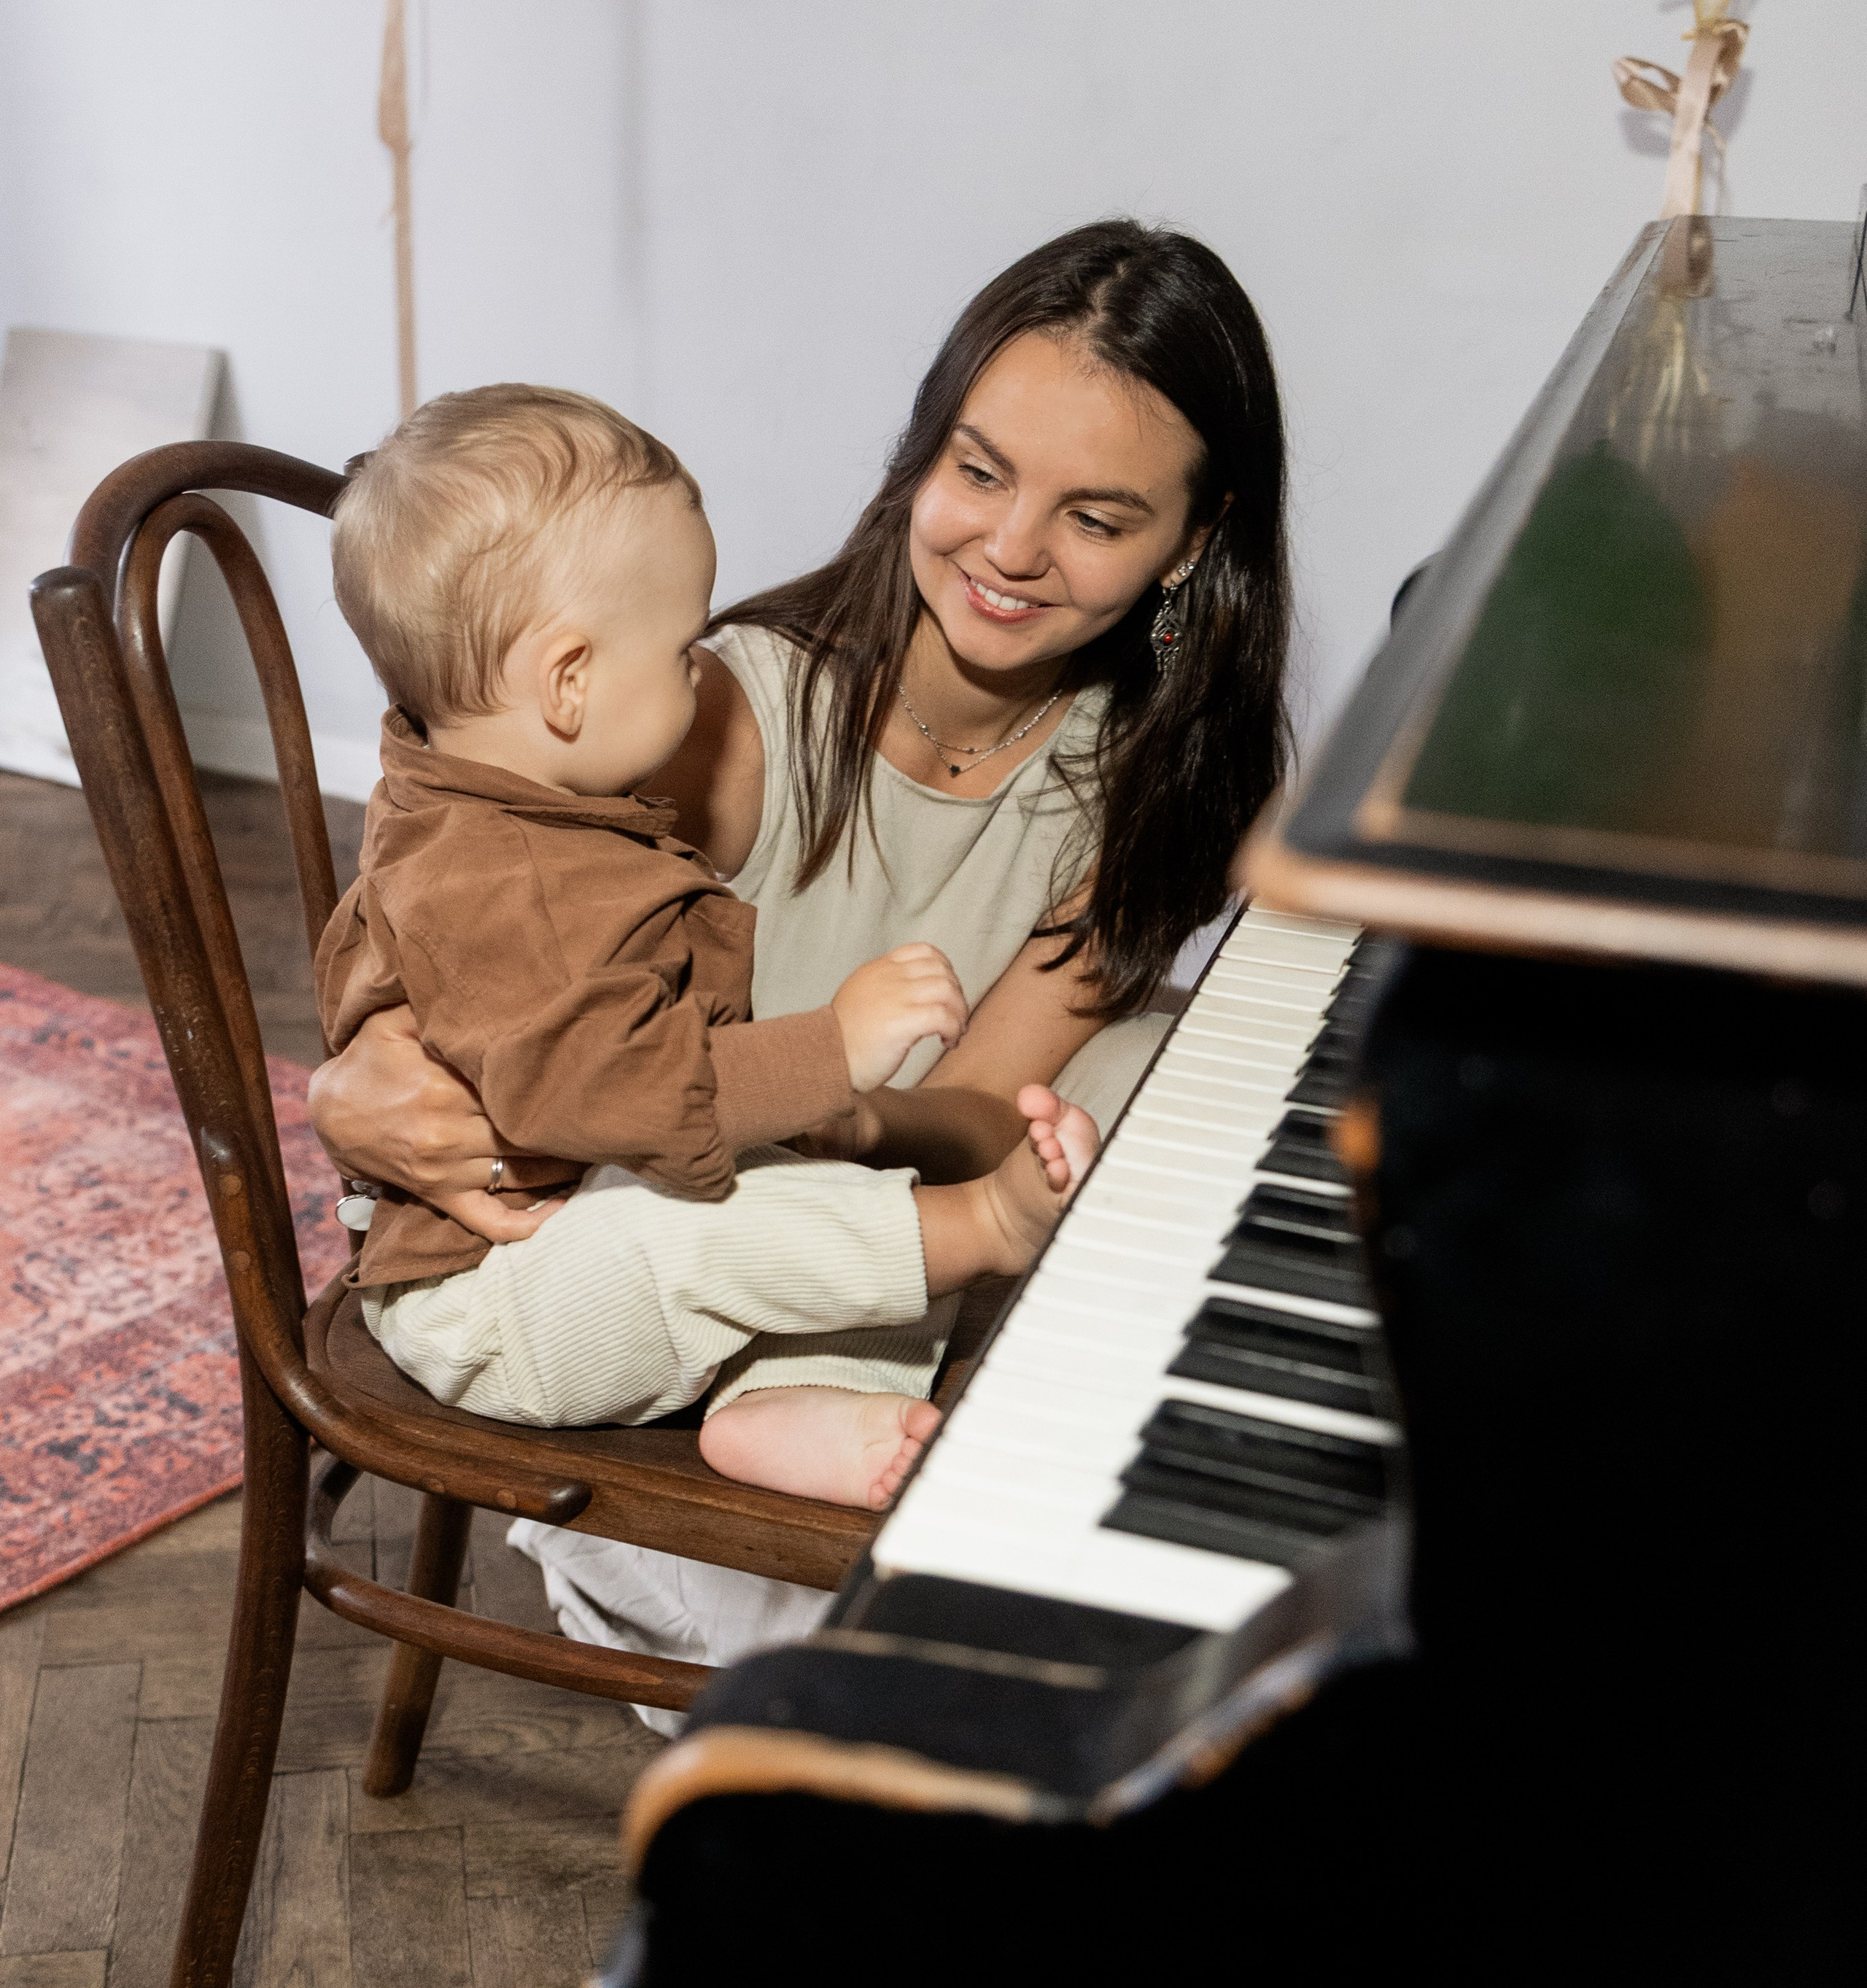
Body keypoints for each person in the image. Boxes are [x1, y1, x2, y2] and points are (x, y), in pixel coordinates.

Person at [309, 217, 1292, 1692]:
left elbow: (976, 1113)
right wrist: (353, 1077)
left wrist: (842, 1116)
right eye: (978, 472)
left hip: (859, 1219)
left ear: (1191, 546)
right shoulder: (710, 718)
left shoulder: (1155, 787)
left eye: (1095, 518)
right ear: (921, 455)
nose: (1011, 549)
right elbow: (465, 902)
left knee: (1176, 1072)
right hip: (642, 1231)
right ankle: (671, 1575)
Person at [319, 384, 1099, 1509]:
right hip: (489, 1301)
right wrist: (834, 1045)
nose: (705, 670)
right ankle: (981, 1231)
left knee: (829, 1198)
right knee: (749, 1227)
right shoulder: (499, 873)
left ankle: (789, 1403)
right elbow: (615, 1088)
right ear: (570, 683)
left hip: (581, 1216)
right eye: (684, 649)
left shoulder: (504, 801)